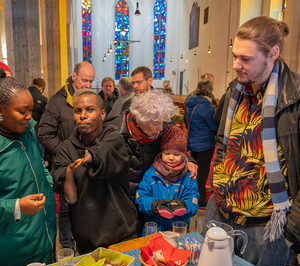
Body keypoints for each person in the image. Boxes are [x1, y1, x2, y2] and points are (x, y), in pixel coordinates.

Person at [206, 16, 300, 266]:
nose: (236, 65)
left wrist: (290, 235)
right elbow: (223, 146)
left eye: (245, 59)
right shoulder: (235, 92)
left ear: (273, 54)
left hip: (267, 229)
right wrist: (217, 188)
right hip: (221, 213)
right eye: (235, 55)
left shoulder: (295, 97)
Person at [53, 89, 137, 254]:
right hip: (87, 237)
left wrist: (90, 156)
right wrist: (69, 173)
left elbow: (104, 152)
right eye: (78, 111)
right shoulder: (66, 149)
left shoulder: (114, 138)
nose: (82, 115)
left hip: (122, 231)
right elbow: (65, 189)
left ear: (103, 114)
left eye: (89, 110)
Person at [0, 69, 56, 266]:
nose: (29, 117)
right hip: (14, 245)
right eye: (22, 111)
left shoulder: (28, 130)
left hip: (44, 231)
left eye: (31, 110)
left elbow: (38, 162)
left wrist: (47, 180)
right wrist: (17, 206)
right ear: (1, 110)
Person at [118, 89, 198, 235]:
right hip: (128, 199)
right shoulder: (117, 135)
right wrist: (153, 204)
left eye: (163, 122)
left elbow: (175, 146)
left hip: (171, 222)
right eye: (156, 123)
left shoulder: (160, 130)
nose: (161, 128)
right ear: (140, 119)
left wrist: (189, 160)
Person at [38, 61, 95, 250]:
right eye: (84, 80)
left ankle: (85, 243)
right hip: (65, 166)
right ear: (74, 77)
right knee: (65, 208)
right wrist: (66, 151)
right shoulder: (57, 101)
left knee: (85, 205)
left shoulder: (91, 99)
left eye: (91, 81)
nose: (87, 85)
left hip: (86, 165)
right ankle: (67, 246)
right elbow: (44, 133)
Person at [136, 126, 199, 234]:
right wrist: (154, 205)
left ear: (183, 154)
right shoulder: (150, 174)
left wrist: (184, 205)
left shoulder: (188, 176)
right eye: (167, 153)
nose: (171, 157)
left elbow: (193, 202)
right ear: (160, 152)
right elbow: (141, 198)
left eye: (176, 154)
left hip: (177, 231)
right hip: (154, 232)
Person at [185, 80, 218, 207]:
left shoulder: (189, 103)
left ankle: (191, 195)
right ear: (209, 90)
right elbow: (213, 126)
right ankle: (200, 200)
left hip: (193, 142)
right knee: (202, 174)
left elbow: (186, 122)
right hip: (205, 144)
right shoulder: (206, 106)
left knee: (194, 171)